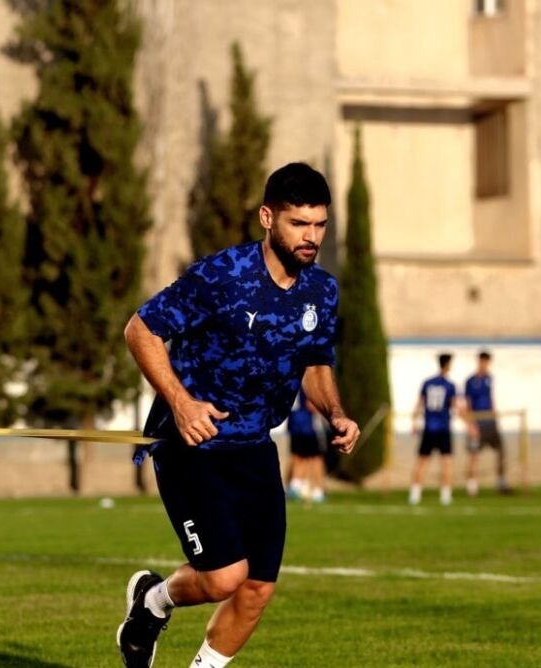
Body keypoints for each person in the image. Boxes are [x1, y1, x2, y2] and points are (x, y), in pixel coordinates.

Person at [116, 162, 360, 668]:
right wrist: (182, 404)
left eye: (319, 224)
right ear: (268, 217)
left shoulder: (322, 292)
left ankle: (183, 644)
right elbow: (141, 330)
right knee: (225, 576)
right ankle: (153, 603)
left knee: (255, 590)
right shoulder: (222, 276)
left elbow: (315, 362)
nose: (311, 236)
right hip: (191, 445)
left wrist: (336, 412)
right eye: (299, 223)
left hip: (254, 449)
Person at [408, 353, 476, 506]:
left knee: (422, 462)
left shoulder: (427, 382)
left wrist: (414, 423)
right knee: (446, 462)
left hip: (428, 428)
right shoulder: (449, 385)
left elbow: (418, 404)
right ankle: (445, 496)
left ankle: (415, 494)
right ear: (448, 365)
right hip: (443, 429)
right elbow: (456, 407)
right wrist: (469, 425)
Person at [464, 350, 511, 496]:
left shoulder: (489, 378)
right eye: (483, 361)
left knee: (501, 451)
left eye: (487, 362)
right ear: (479, 361)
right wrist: (470, 424)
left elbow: (491, 398)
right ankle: (472, 486)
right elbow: (467, 403)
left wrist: (495, 418)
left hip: (490, 421)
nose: (485, 365)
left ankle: (501, 482)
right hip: (477, 422)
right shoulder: (471, 381)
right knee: (474, 455)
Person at [286, 389, 328, 503]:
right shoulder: (307, 378)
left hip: (297, 422)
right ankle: (315, 490)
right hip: (306, 425)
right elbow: (312, 404)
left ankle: (298, 486)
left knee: (301, 455)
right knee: (313, 457)